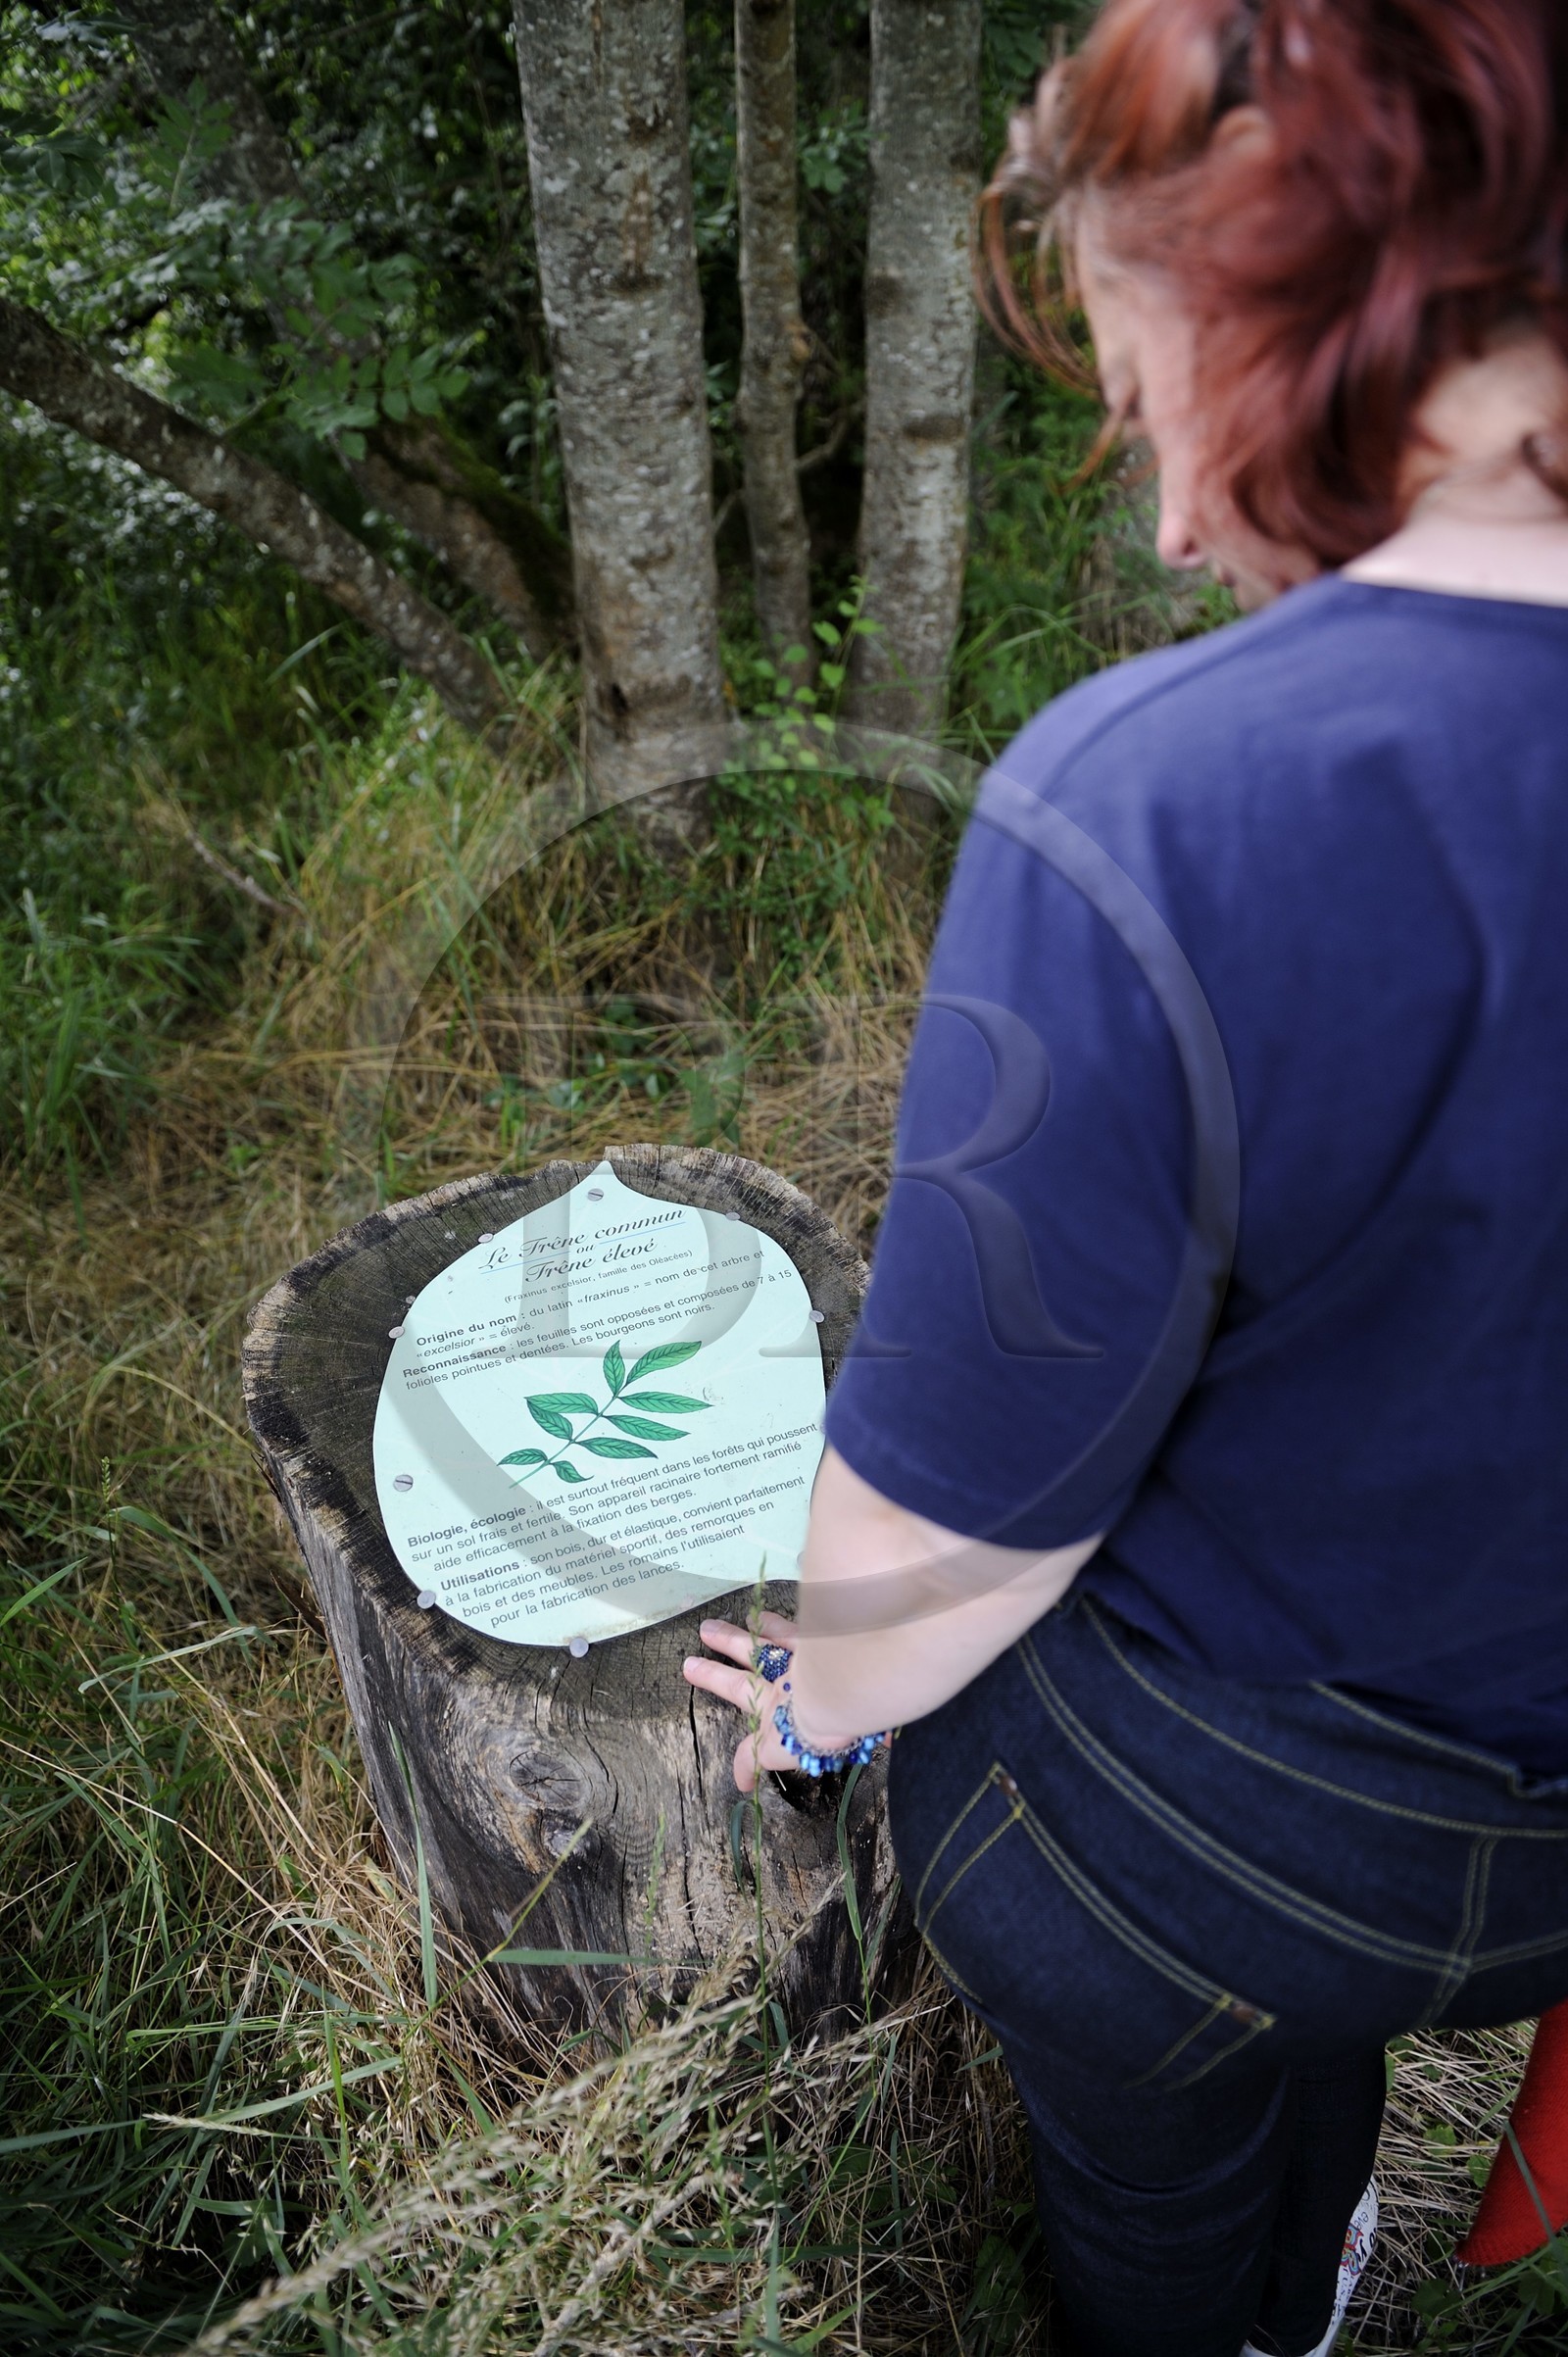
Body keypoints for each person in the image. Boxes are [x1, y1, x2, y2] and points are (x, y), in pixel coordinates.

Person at [683, 3, 1568, 2351]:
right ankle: (1341, 2227)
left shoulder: (1154, 802)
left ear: (1310, 300)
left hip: (1211, 1859)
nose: (1172, 513)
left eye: (1153, 377)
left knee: (1152, 2121)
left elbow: (957, 1535)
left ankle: (1235, 2304)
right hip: (1539, 1835)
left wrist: (817, 1697)